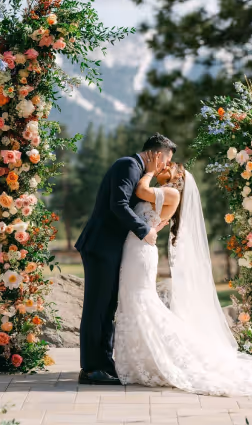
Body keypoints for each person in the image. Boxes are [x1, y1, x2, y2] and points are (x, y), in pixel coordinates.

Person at [114, 154, 252, 396]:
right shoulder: (163, 191)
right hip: (134, 248)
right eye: (163, 164)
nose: (163, 167)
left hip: (141, 253)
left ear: (177, 178)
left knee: (141, 301)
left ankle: (166, 356)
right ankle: (140, 359)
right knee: (131, 301)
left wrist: (149, 169)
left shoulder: (171, 194)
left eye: (168, 167)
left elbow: (140, 190)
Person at [75, 133, 176, 385]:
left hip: (112, 248)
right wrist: (145, 231)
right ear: (157, 154)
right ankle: (90, 369)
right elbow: (118, 204)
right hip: (100, 246)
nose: (165, 166)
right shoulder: (127, 165)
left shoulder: (137, 171)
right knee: (97, 307)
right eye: (166, 160)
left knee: (108, 306)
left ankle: (104, 363)